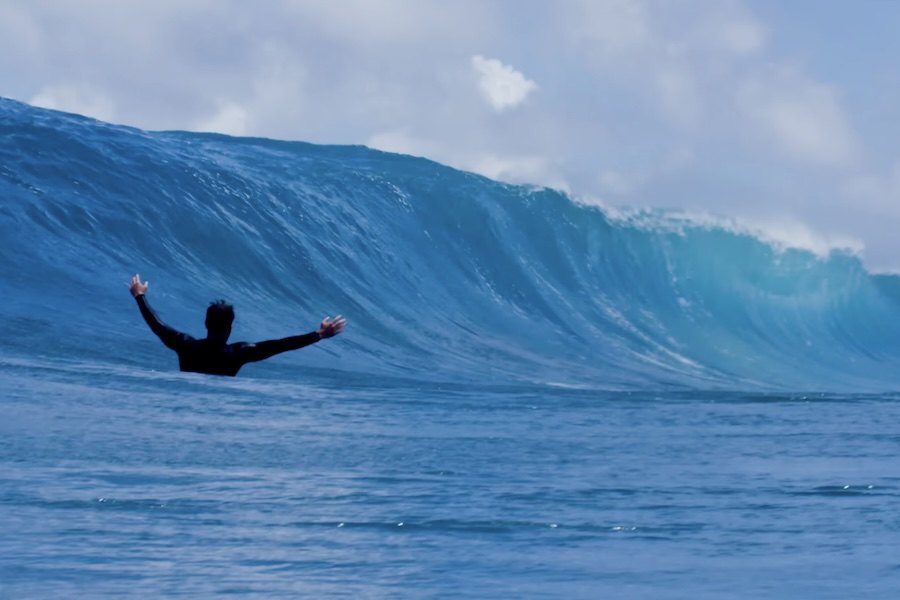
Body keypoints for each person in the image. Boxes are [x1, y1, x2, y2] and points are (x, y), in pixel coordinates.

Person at [128, 274, 346, 376]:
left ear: (205, 323)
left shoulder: (186, 345)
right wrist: (319, 334)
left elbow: (156, 324)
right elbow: (281, 345)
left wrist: (140, 297)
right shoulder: (239, 353)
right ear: (230, 327)